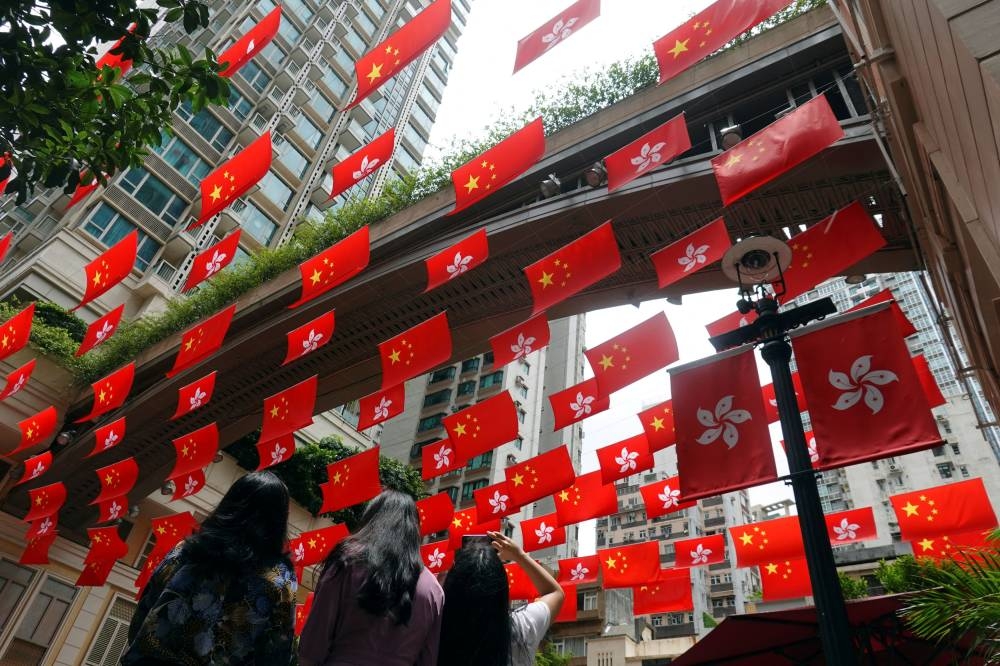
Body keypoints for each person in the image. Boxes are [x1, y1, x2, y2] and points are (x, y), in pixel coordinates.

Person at [123, 470, 297, 665]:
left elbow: (145, 608)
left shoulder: (186, 551)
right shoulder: (280, 579)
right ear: (278, 520)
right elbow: (277, 651)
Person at [298, 489, 443, 666]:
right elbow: (428, 659)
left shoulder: (347, 562)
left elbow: (312, 645)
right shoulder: (433, 590)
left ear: (371, 519)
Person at [438, 530, 565, 666]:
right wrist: (519, 555)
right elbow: (555, 593)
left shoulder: (436, 628)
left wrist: (441, 585)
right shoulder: (522, 628)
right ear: (502, 587)